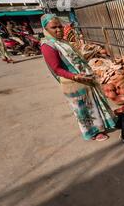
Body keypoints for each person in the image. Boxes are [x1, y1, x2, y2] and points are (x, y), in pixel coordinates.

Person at [40, 14, 117, 142]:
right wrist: (75, 76)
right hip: (72, 82)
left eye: (60, 26)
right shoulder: (48, 46)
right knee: (83, 108)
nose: (58, 29)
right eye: (54, 27)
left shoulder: (61, 41)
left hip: (84, 77)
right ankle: (93, 132)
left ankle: (103, 125)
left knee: (94, 103)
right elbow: (56, 69)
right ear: (46, 29)